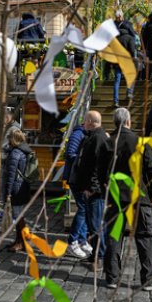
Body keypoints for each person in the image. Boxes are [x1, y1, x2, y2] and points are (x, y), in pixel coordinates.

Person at [102, 108, 152, 291]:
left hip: (115, 195)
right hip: (138, 195)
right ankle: (148, 278)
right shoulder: (139, 142)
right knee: (144, 236)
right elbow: (151, 169)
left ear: (115, 122)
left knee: (114, 236)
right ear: (128, 121)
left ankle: (112, 277)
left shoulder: (108, 142)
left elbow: (100, 170)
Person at [69, 110, 106, 264]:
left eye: (85, 120)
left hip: (92, 189)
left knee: (94, 222)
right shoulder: (89, 136)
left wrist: (91, 187)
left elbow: (97, 166)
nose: (83, 123)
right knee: (90, 219)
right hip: (85, 185)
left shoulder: (97, 138)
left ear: (90, 121)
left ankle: (98, 255)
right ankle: (88, 246)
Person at [3, 129, 34, 252]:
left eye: (9, 138)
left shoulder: (15, 153)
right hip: (23, 187)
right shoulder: (24, 149)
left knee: (18, 217)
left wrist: (8, 193)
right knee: (19, 216)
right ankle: (19, 240)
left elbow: (11, 176)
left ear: (13, 139)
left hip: (16, 188)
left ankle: (23, 242)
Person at [63, 117, 90, 259]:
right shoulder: (77, 134)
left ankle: (82, 240)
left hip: (79, 177)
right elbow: (71, 153)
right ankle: (73, 241)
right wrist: (84, 163)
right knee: (83, 208)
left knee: (84, 208)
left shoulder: (84, 134)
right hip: (75, 177)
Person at [112, 10, 138, 107]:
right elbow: (132, 49)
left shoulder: (116, 38)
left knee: (117, 80)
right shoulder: (129, 37)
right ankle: (129, 92)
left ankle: (115, 100)